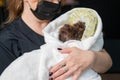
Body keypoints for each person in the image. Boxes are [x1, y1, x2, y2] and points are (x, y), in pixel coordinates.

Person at [0, 0, 112, 80]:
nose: (54, 3)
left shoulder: (65, 23)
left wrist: (91, 58)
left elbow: (107, 63)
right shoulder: (6, 41)